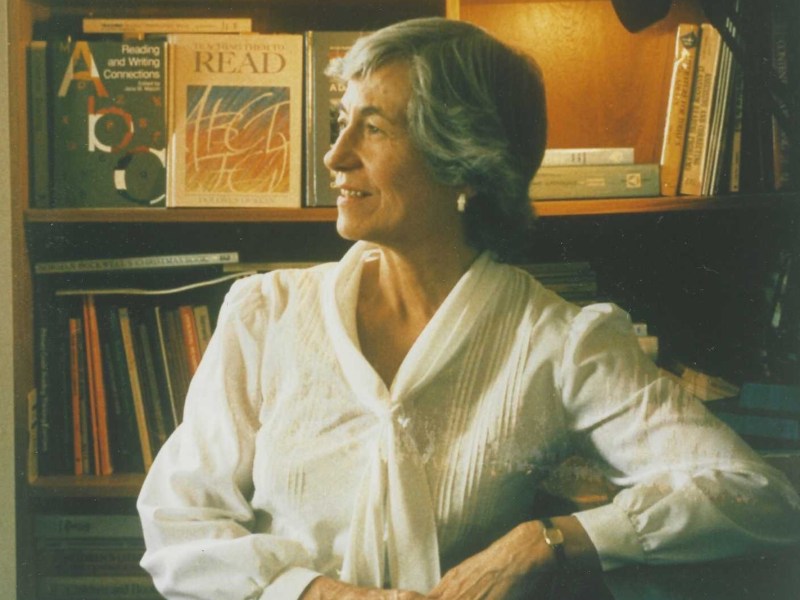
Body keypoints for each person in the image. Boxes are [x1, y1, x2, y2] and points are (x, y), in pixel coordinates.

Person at [137, 17, 800, 600]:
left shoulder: (558, 341)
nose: (336, 157)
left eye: (373, 129)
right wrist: (317, 594)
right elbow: (178, 520)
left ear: (463, 163)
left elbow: (758, 497)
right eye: (344, 124)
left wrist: (551, 539)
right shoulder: (266, 313)